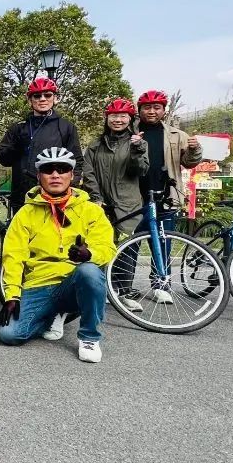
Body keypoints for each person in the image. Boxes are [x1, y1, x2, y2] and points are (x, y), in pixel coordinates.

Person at [0, 147, 116, 363]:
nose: (55, 175)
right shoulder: (25, 213)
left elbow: (107, 248)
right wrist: (12, 295)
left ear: (72, 175)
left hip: (73, 281)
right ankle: (51, 315)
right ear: (39, 176)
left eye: (62, 169)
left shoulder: (91, 211)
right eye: (48, 169)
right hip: (39, 284)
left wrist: (89, 254)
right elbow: (13, 256)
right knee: (9, 334)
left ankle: (89, 337)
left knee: (90, 272)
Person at [82, 98, 149, 312]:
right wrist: (95, 196)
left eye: (122, 116)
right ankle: (101, 288)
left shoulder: (138, 142)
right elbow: (88, 172)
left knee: (127, 248)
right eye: (113, 116)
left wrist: (137, 149)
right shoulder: (96, 145)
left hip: (128, 203)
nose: (118, 120)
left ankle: (124, 291)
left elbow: (141, 170)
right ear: (107, 118)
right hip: (101, 202)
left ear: (130, 119)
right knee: (100, 245)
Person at [0, 78, 83, 212]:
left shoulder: (66, 127)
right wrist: (17, 146)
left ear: (55, 98)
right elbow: (3, 159)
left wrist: (70, 186)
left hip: (55, 197)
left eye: (47, 95)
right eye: (37, 96)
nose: (42, 99)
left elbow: (76, 160)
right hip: (23, 197)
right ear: (30, 101)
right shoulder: (18, 128)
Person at [136, 89, 203, 203]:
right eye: (147, 107)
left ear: (164, 111)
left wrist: (194, 149)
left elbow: (189, 163)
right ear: (139, 110)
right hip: (133, 198)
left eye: (157, 108)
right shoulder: (129, 134)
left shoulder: (177, 135)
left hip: (167, 196)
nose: (151, 111)